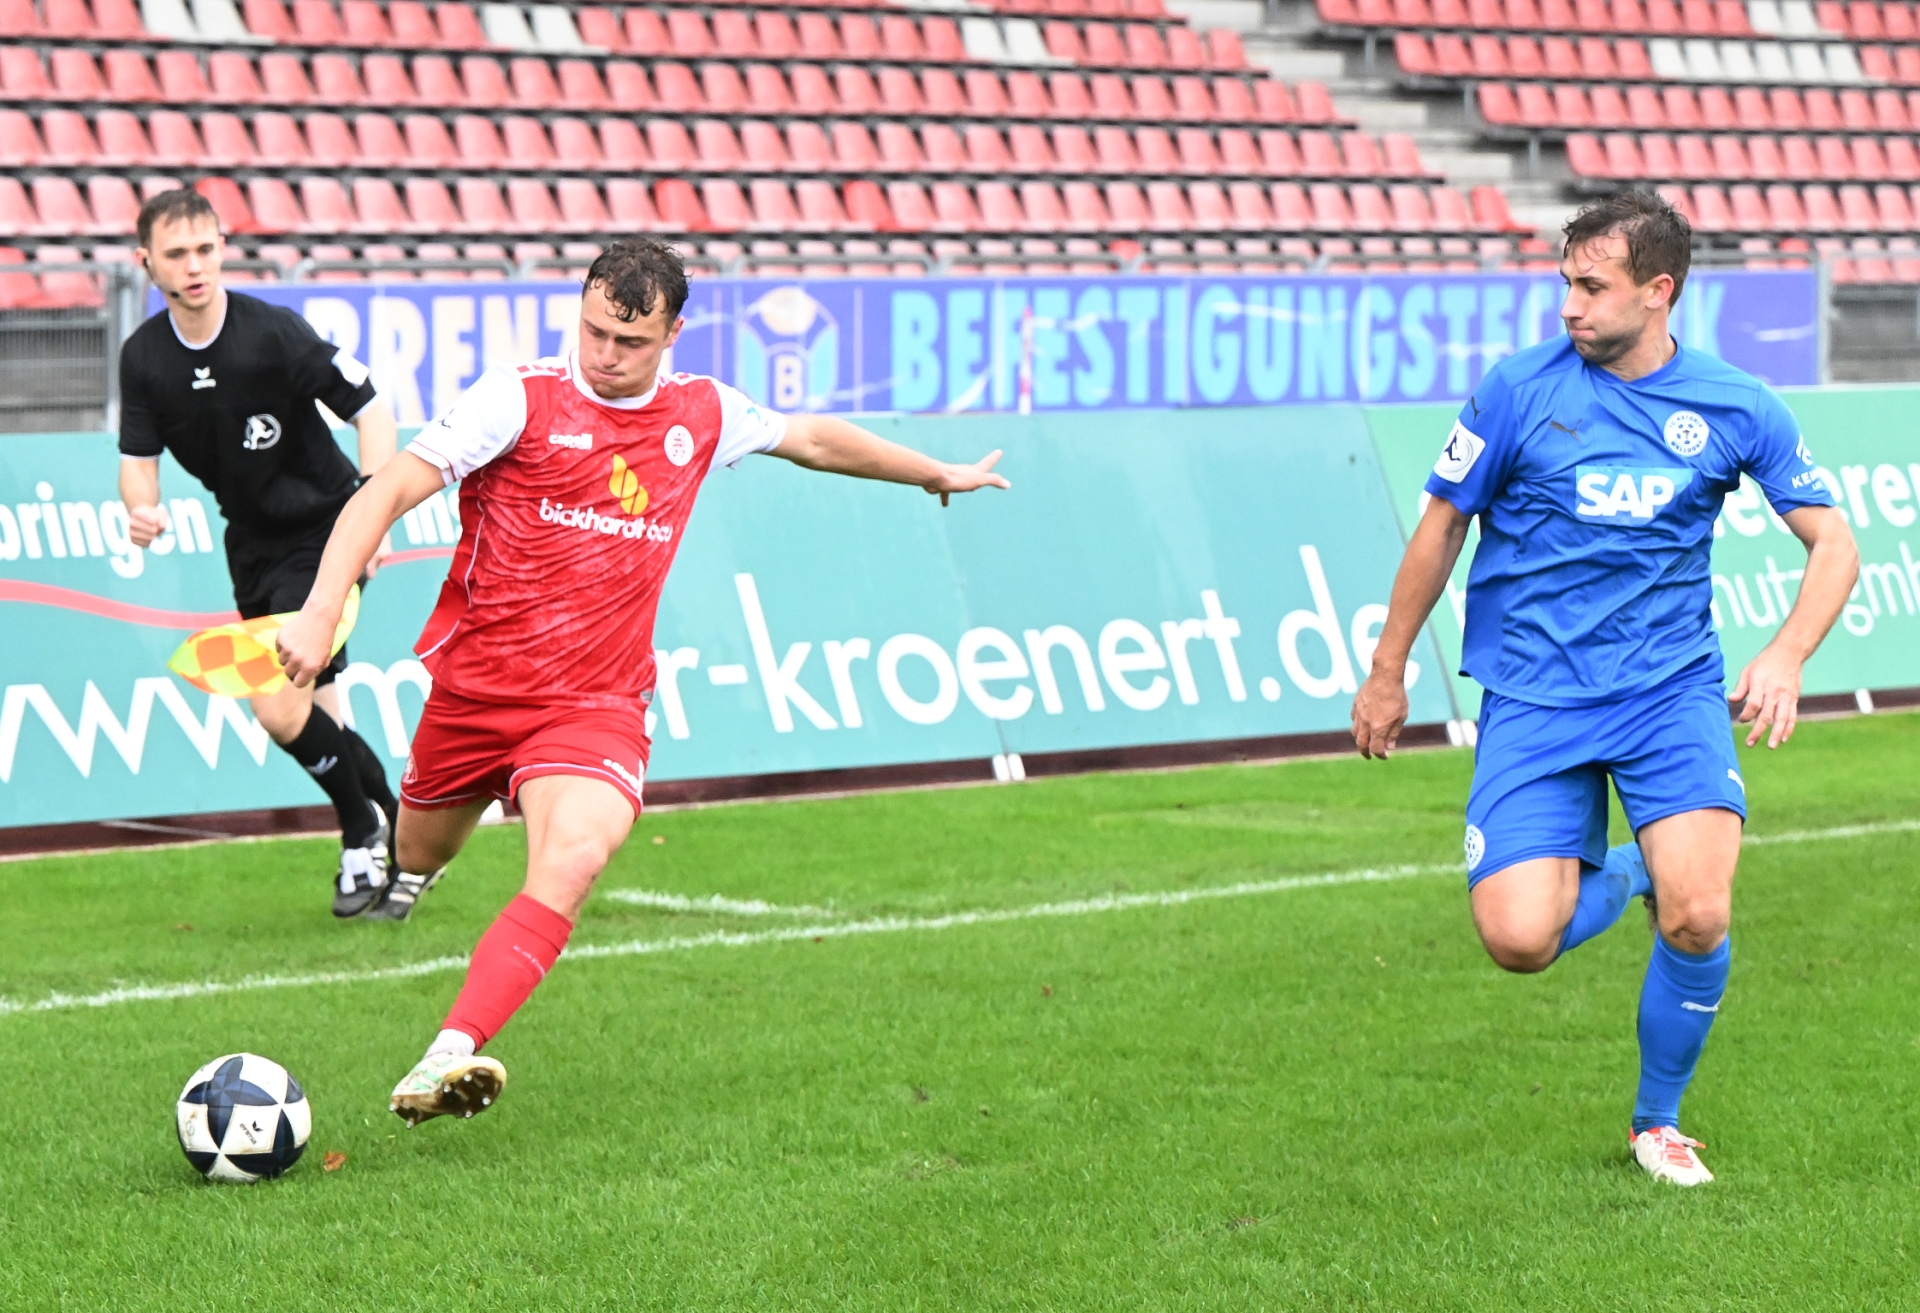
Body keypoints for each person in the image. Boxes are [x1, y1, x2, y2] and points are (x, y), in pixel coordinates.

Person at [276, 238, 1009, 1125]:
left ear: (672, 335)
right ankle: (416, 862)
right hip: (475, 693)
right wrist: (321, 608)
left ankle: (448, 1052)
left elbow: (812, 438)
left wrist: (933, 472)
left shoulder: (701, 410)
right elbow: (386, 490)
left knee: (574, 856)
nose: (605, 354)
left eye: (629, 342)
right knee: (422, 849)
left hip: (596, 704)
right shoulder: (519, 398)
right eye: (593, 331)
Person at [1350, 192, 1858, 1187]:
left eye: (1592, 286)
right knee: (1518, 939)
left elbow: (1834, 541)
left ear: (1658, 291)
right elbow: (1441, 525)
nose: (1569, 306)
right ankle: (1632, 870)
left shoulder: (1735, 404)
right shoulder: (1517, 390)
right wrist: (1386, 667)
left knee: (1700, 914)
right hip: (1535, 695)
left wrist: (1788, 653)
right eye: (1565, 283)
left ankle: (1656, 1122)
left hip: (1668, 693)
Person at [119, 188, 404, 918]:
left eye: (205, 249)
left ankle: (362, 830)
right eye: (177, 254)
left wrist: (373, 512)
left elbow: (372, 408)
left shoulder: (273, 333)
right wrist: (140, 509)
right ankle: (398, 830)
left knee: (277, 707)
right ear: (146, 262)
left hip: (327, 532)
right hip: (249, 544)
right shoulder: (143, 357)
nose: (194, 266)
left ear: (222, 250)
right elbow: (138, 462)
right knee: (318, 713)